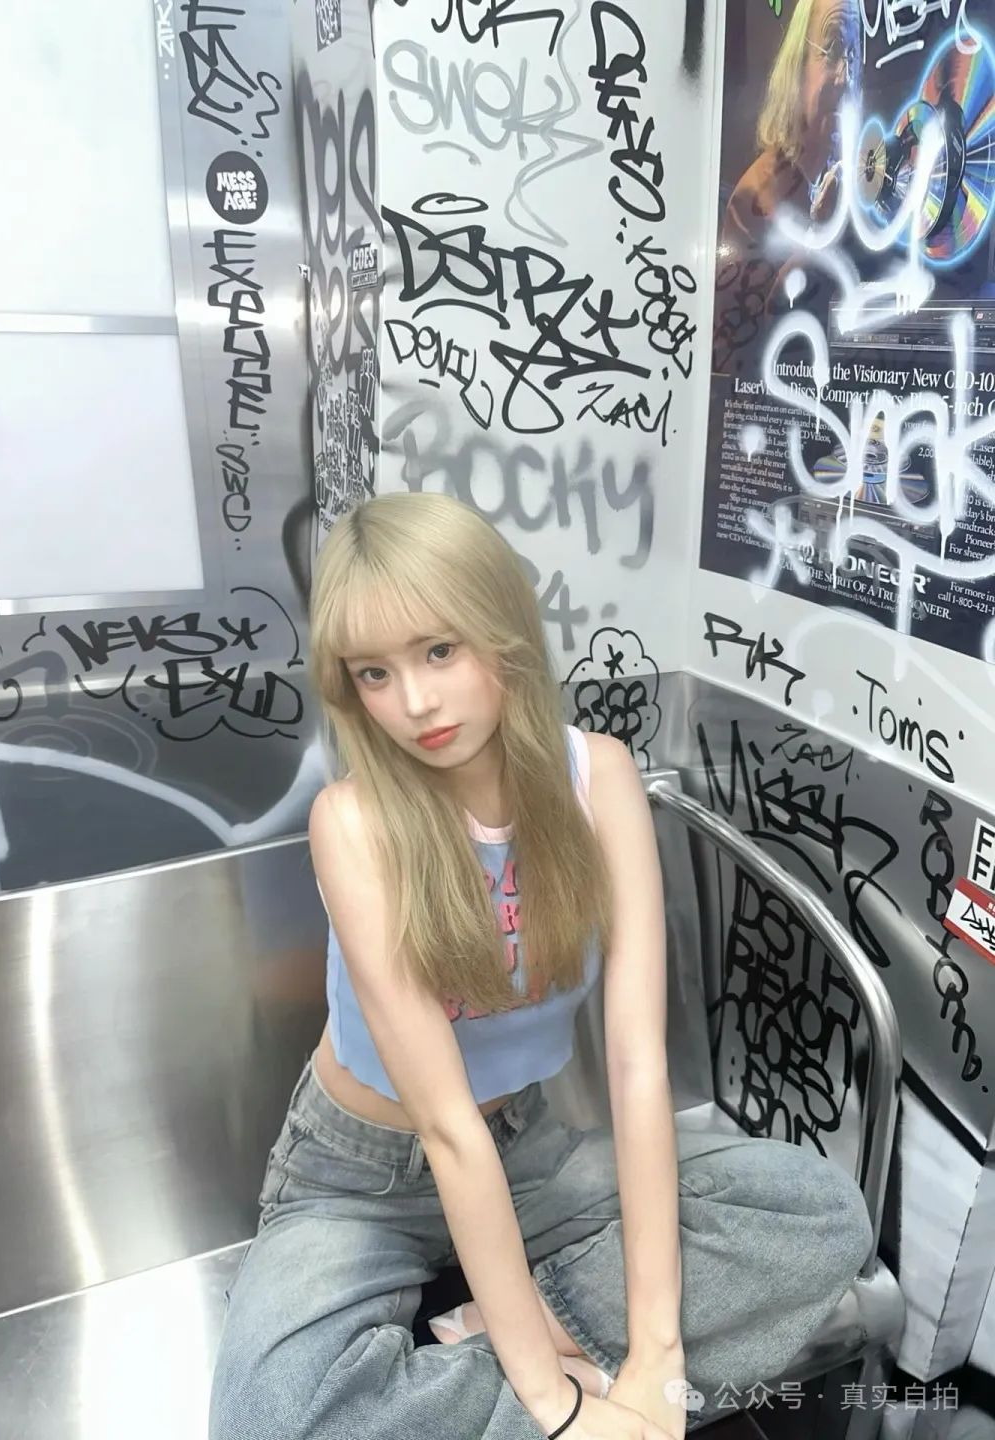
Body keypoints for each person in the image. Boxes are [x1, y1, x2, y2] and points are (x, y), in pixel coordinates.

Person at [208, 492, 873, 1440]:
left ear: (503, 628)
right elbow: (444, 1128)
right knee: (269, 1420)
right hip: (357, 1178)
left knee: (818, 1216)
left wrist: (657, 1360)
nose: (416, 703)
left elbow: (636, 1066)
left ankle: (494, 1334)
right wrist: (558, 1410)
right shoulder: (353, 824)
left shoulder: (598, 777)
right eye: (375, 674)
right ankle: (539, 1367)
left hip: (522, 1148)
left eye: (440, 650)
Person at [713, 0, 862, 377]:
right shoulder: (755, 198)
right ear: (797, 68)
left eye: (853, 55)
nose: (845, 77)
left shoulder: (847, 178)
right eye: (831, 51)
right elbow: (741, 361)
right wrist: (816, 242)